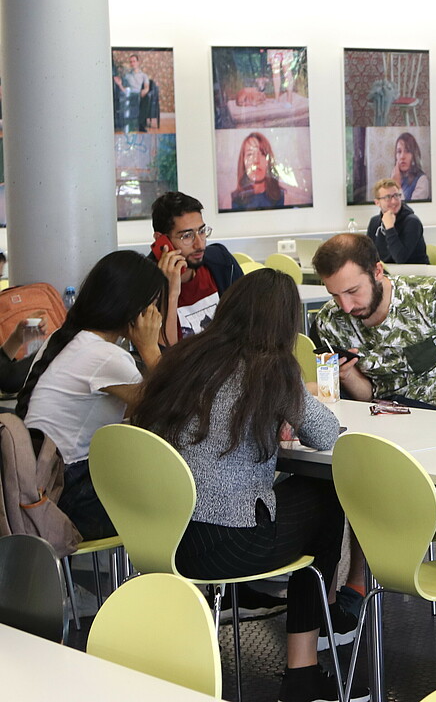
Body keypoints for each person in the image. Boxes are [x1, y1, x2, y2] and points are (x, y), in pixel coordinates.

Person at [132, 270, 368, 702]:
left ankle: (308, 649)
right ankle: (303, 670)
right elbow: (327, 434)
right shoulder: (272, 369)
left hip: (163, 535)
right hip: (230, 543)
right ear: (285, 323)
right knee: (326, 498)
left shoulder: (186, 357)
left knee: (303, 501)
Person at [19, 251, 165, 540]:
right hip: (69, 492)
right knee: (175, 503)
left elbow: (135, 403)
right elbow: (176, 404)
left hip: (41, 485)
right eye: (153, 305)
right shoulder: (104, 355)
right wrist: (150, 349)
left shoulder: (66, 339)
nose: (156, 315)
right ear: (135, 308)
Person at [313, 234, 436, 413]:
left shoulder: (431, 296)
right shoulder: (330, 321)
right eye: (335, 295)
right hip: (383, 419)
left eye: (353, 291)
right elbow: (368, 395)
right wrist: (347, 376)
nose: (345, 306)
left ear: (377, 271)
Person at [151, 191, 243, 344]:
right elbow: (163, 356)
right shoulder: (146, 287)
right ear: (161, 240)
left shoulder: (222, 262)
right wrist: (170, 293)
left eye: (201, 232)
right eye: (187, 236)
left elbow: (250, 322)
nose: (200, 244)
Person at [366, 177, 427, 265]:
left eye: (396, 196)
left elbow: (400, 258)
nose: (394, 201)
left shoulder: (412, 222)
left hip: (414, 275)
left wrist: (390, 228)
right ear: (377, 202)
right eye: (388, 197)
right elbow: (369, 255)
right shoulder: (374, 222)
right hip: (387, 274)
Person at [231, 131, 286, 210]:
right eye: (250, 154)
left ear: (269, 160)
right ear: (243, 161)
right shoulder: (237, 198)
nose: (256, 160)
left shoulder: (278, 195)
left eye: (262, 153)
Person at [393, 131, 431, 200]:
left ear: (413, 155)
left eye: (407, 151)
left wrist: (397, 186)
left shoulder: (422, 180)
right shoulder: (394, 176)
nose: (402, 156)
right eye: (399, 151)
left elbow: (412, 209)